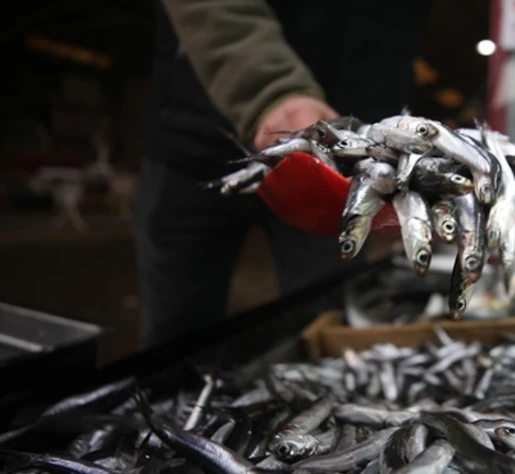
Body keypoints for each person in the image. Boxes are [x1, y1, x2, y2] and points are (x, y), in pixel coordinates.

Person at [136, 0, 430, 348]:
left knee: (322, 327)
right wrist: (270, 90)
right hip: (196, 143)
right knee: (176, 337)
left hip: (343, 178)